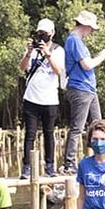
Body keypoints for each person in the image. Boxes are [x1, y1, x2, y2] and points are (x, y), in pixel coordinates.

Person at [61, 10, 105, 172]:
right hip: (80, 88)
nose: (91, 32)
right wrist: (103, 55)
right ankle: (70, 163)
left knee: (99, 125)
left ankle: (102, 158)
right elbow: (87, 65)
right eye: (91, 28)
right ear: (85, 25)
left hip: (89, 89)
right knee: (78, 127)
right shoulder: (74, 40)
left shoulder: (78, 42)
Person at [18, 18, 65, 178]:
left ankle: (50, 167)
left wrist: (48, 54)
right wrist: (29, 52)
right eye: (39, 33)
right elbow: (23, 68)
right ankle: (27, 167)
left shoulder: (58, 50)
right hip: (31, 98)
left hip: (50, 99)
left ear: (52, 33)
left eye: (45, 33)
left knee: (49, 133)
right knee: (29, 134)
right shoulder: (32, 49)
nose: (42, 36)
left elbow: (59, 71)